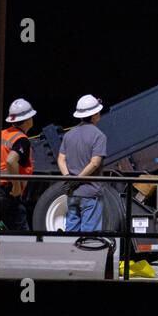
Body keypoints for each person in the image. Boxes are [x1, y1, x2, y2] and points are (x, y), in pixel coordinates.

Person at [57, 95, 107, 233]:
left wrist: (68, 177)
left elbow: (61, 159)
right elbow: (95, 162)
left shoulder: (69, 134)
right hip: (90, 192)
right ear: (95, 114)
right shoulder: (99, 136)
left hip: (73, 193)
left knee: (71, 231)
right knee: (89, 235)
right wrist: (78, 179)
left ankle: (69, 254)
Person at [0, 98, 35, 232]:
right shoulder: (21, 140)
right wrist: (16, 186)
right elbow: (10, 160)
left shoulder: (2, 134)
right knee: (21, 232)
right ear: (28, 120)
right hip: (9, 192)